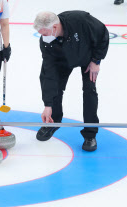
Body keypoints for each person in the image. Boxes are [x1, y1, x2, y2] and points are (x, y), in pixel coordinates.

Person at [33, 11, 109, 152]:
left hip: (87, 56)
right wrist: (48, 104)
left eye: (44, 33)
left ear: (55, 28)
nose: (42, 37)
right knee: (55, 87)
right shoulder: (47, 43)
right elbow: (48, 74)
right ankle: (53, 121)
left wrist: (96, 60)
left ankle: (90, 134)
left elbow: (102, 34)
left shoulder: (80, 20)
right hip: (62, 59)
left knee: (89, 90)